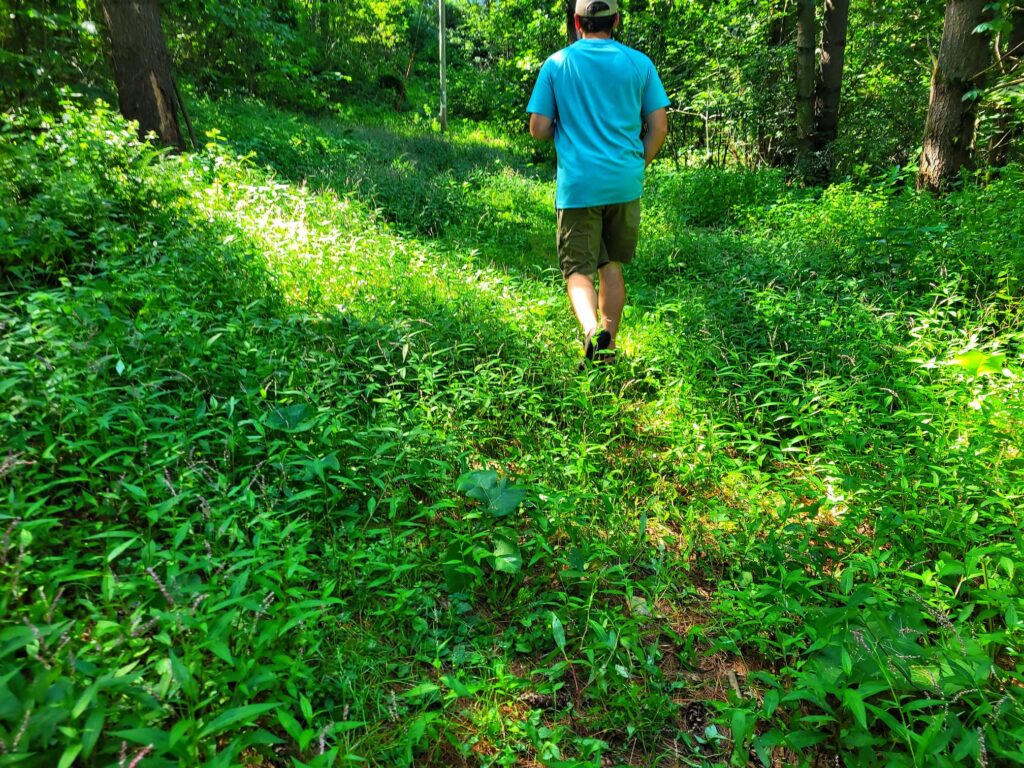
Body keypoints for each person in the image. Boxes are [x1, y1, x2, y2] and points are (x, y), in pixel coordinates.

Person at [527, 0, 669, 369]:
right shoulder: (640, 64)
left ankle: (591, 331)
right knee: (612, 265)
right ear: (615, 21)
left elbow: (539, 128)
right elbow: (659, 127)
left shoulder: (557, 64)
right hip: (624, 184)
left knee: (578, 270)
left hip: (579, 186)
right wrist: (637, 165)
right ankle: (609, 346)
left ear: (577, 22)